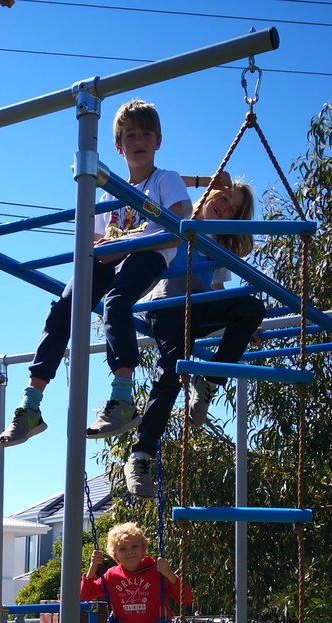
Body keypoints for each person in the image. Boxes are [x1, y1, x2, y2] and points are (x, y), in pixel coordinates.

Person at [0, 99, 191, 448]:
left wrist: (124, 240)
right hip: (111, 257)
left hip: (149, 253)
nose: (138, 141)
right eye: (130, 135)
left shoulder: (165, 179)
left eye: (146, 134)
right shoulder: (109, 192)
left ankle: (123, 398)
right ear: (119, 146)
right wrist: (101, 244)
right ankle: (31, 406)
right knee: (64, 309)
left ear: (158, 141)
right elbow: (96, 238)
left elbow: (179, 223)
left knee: (117, 300)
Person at [124, 172, 266, 498]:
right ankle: (141, 454)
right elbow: (164, 181)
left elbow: (217, 290)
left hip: (198, 308)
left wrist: (243, 324)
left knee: (250, 308)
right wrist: (206, 181)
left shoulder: (219, 251)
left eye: (232, 209)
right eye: (224, 197)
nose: (224, 207)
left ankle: (208, 386)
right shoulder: (183, 217)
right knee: (173, 369)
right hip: (167, 303)